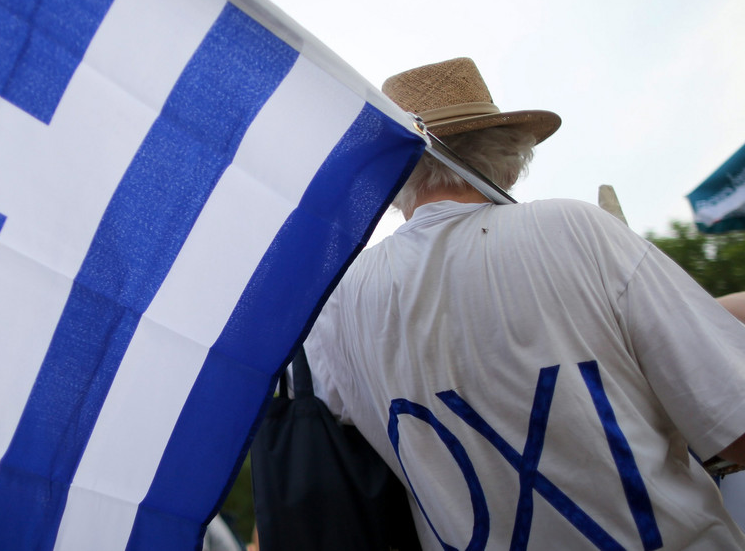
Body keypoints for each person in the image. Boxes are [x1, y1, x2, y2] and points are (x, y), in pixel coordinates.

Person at [303, 57, 745, 549]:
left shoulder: (336, 304)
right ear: (510, 163)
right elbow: (735, 427)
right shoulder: (575, 230)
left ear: (387, 177)